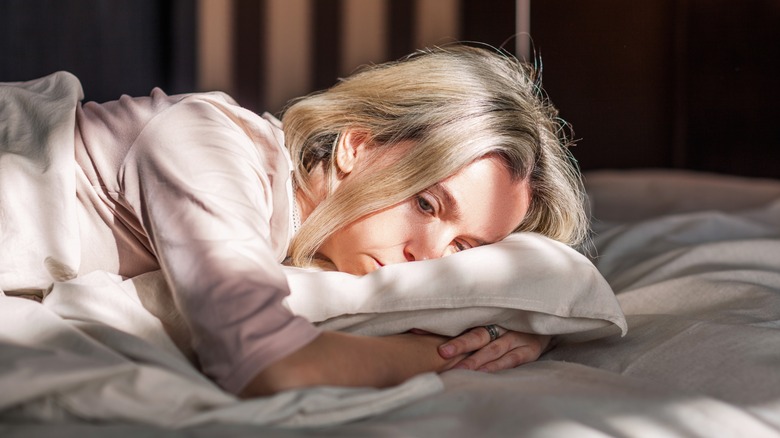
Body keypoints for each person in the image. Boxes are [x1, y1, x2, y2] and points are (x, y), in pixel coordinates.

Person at [0, 44, 588, 397]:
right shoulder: (207, 145)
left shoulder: (295, 237)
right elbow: (268, 367)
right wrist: (468, 349)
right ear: (356, 146)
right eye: (426, 203)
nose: (428, 258)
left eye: (464, 248)